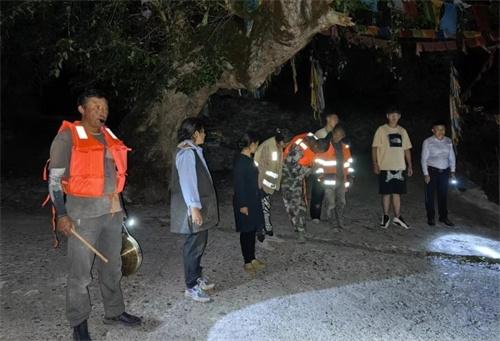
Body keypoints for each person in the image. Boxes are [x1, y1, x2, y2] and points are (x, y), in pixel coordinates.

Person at [47, 89, 141, 341]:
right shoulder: (67, 138)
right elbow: (54, 181)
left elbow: (114, 176)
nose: (102, 111)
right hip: (82, 217)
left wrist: (121, 210)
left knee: (113, 267)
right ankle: (78, 322)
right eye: (96, 106)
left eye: (105, 107)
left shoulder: (109, 135)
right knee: (80, 275)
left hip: (111, 214)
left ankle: (114, 311)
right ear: (82, 109)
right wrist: (62, 215)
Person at [170, 117, 218, 303]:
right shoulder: (187, 153)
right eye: (203, 131)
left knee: (200, 242)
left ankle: (197, 277)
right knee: (193, 246)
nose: (205, 134)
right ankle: (191, 286)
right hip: (193, 207)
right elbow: (188, 182)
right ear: (195, 133)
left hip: (197, 205)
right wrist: (194, 208)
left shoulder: (193, 150)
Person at [372, 108, 413, 229]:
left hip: (400, 166)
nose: (394, 117)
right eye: (391, 115)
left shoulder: (402, 131)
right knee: (386, 193)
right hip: (385, 166)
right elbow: (374, 147)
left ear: (399, 116)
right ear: (387, 116)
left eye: (396, 115)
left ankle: (397, 217)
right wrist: (375, 163)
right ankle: (385, 216)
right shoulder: (381, 130)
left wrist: (410, 165)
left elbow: (406, 149)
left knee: (397, 193)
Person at [282, 132, 327, 242]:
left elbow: (309, 163)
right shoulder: (299, 148)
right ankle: (299, 229)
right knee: (293, 205)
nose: (317, 154)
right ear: (315, 146)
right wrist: (310, 170)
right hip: (289, 178)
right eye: (318, 151)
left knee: (300, 204)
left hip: (299, 178)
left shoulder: (313, 145)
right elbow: (290, 166)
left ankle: (300, 230)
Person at [233, 132, 267, 274]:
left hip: (252, 199)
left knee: (252, 230)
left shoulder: (249, 159)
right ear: (251, 144)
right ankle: (247, 262)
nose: (257, 147)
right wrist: (242, 205)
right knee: (246, 232)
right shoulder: (241, 161)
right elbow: (239, 185)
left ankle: (252, 258)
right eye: (256, 144)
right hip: (245, 202)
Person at [314, 125, 354, 229]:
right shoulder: (325, 146)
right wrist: (321, 177)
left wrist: (350, 175)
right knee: (331, 203)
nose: (339, 137)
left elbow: (349, 163)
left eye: (341, 136)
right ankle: (332, 222)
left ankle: (339, 221)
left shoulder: (345, 147)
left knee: (341, 202)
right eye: (338, 135)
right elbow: (317, 163)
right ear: (334, 133)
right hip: (328, 180)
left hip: (342, 179)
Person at [253, 128, 288, 238]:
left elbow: (277, 166)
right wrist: (259, 178)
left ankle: (266, 226)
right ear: (280, 140)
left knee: (266, 205)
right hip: (261, 181)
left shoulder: (278, 147)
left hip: (269, 183)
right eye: (285, 142)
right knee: (262, 206)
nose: (286, 145)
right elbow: (255, 162)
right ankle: (262, 228)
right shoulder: (267, 146)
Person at [421, 121, 456, 226]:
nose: (441, 132)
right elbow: (423, 159)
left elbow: (452, 157)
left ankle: (443, 217)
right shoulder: (428, 142)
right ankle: (431, 217)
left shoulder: (448, 141)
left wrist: (453, 171)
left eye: (443, 129)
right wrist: (426, 174)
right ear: (433, 130)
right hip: (432, 171)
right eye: (438, 129)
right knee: (430, 196)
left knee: (443, 195)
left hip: (444, 172)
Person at [311, 112, 339, 222]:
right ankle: (315, 216)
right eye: (334, 119)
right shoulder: (320, 133)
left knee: (331, 191)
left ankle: (329, 213)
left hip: (331, 168)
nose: (336, 121)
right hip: (319, 167)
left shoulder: (337, 134)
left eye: (337, 120)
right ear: (328, 119)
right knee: (318, 192)